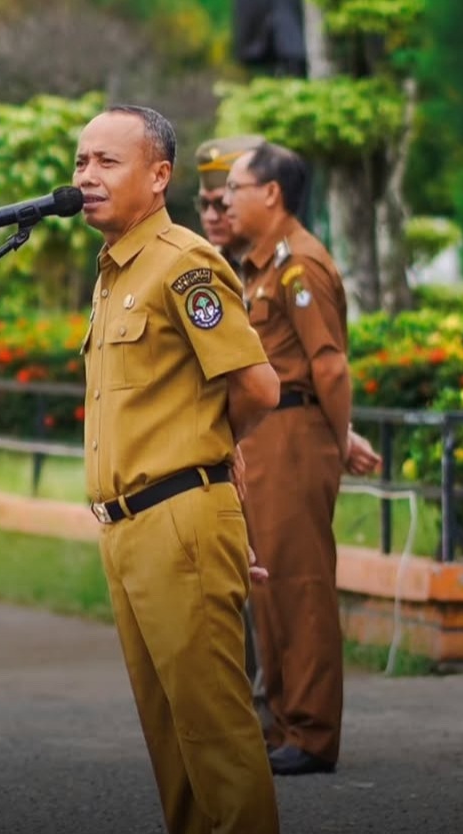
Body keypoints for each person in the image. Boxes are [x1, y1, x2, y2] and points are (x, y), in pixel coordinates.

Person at [74, 104, 282, 834]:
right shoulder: (114, 272)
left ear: (159, 176)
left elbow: (257, 387)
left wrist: (213, 459)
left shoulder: (183, 262)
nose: (87, 176)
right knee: (171, 740)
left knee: (214, 735)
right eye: (81, 161)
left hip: (177, 520)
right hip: (127, 528)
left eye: (108, 162)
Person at [223, 142, 381, 777]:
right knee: (269, 585)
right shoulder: (262, 264)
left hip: (294, 434)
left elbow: (330, 366)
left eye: (234, 189)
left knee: (301, 584)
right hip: (265, 436)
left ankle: (312, 732)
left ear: (271, 193)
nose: (224, 202)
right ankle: (283, 723)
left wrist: (336, 442)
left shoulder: (300, 264)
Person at [195, 134, 274, 725]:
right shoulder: (198, 268)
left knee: (272, 578)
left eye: (225, 201)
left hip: (264, 442)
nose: (215, 214)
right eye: (205, 204)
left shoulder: (274, 267)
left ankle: (273, 711)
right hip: (226, 450)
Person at [194, 135, 267, 273]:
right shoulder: (205, 265)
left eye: (222, 204)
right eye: (204, 204)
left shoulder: (283, 263)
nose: (211, 217)